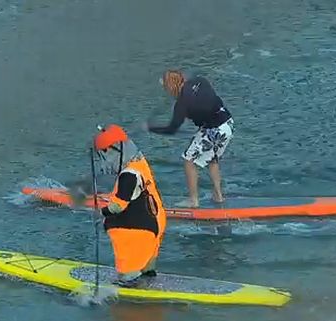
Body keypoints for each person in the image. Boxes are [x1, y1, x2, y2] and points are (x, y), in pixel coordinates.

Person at [145, 70, 234, 208]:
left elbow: (172, 129)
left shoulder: (182, 104)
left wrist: (151, 128)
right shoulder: (200, 80)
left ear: (170, 87)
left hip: (214, 129)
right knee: (212, 159)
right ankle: (218, 196)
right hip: (227, 123)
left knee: (189, 160)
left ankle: (193, 200)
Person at [93, 124, 167, 287]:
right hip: (156, 219)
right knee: (146, 262)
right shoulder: (139, 162)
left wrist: (100, 213)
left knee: (127, 273)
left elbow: (118, 207)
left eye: (105, 153)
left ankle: (129, 280)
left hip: (137, 228)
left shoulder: (128, 176)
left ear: (117, 151)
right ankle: (147, 274)